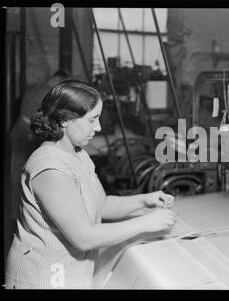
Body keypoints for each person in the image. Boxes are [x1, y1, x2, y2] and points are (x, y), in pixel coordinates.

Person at [5, 80, 177, 289]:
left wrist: (145, 200)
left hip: (72, 274)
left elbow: (102, 204)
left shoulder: (78, 155)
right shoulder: (50, 168)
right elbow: (84, 237)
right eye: (92, 119)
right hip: (43, 277)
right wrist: (146, 223)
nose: (99, 127)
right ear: (66, 120)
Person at [6, 70, 70, 257]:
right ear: (57, 80)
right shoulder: (45, 91)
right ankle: (21, 220)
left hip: (20, 133)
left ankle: (16, 216)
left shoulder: (36, 87)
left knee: (18, 175)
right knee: (27, 178)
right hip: (26, 136)